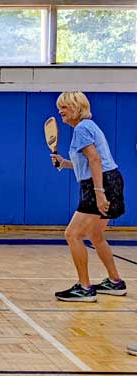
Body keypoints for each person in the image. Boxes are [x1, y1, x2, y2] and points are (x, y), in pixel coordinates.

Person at [50, 91, 126, 303]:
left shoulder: (82, 128)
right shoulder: (88, 127)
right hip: (110, 179)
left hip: (99, 185)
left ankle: (84, 287)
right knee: (95, 235)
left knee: (72, 234)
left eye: (64, 107)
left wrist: (99, 193)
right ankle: (115, 282)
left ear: (75, 108)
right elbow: (88, 162)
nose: (60, 111)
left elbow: (95, 160)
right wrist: (65, 163)